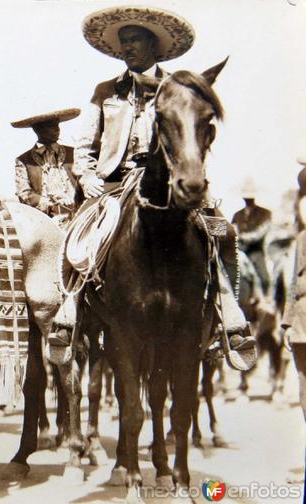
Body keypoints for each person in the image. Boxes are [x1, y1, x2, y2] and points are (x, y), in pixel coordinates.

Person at [50, 5, 253, 361]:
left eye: (135, 41)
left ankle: (227, 318)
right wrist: (86, 175)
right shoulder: (105, 91)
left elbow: (193, 135)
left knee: (222, 231)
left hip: (171, 180)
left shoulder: (178, 88)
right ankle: (70, 315)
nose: (127, 47)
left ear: (154, 46)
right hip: (114, 184)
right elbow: (84, 145)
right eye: (124, 42)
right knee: (76, 233)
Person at [11, 108, 82, 226]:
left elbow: (84, 181)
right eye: (51, 126)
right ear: (38, 129)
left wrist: (71, 199)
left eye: (57, 125)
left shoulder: (74, 154)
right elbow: (24, 193)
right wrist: (50, 204)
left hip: (78, 216)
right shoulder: (24, 160)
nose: (57, 130)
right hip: (44, 221)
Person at [282, 160, 306, 483]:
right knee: (305, 397)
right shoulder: (301, 240)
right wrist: (287, 322)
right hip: (302, 325)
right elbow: (292, 281)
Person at [232, 178, 273, 295]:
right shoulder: (237, 215)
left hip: (256, 252)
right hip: (239, 252)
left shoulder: (265, 213)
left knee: (265, 279)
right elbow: (233, 230)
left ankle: (267, 304)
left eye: (250, 197)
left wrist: (242, 236)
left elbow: (259, 234)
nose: (248, 199)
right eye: (246, 197)